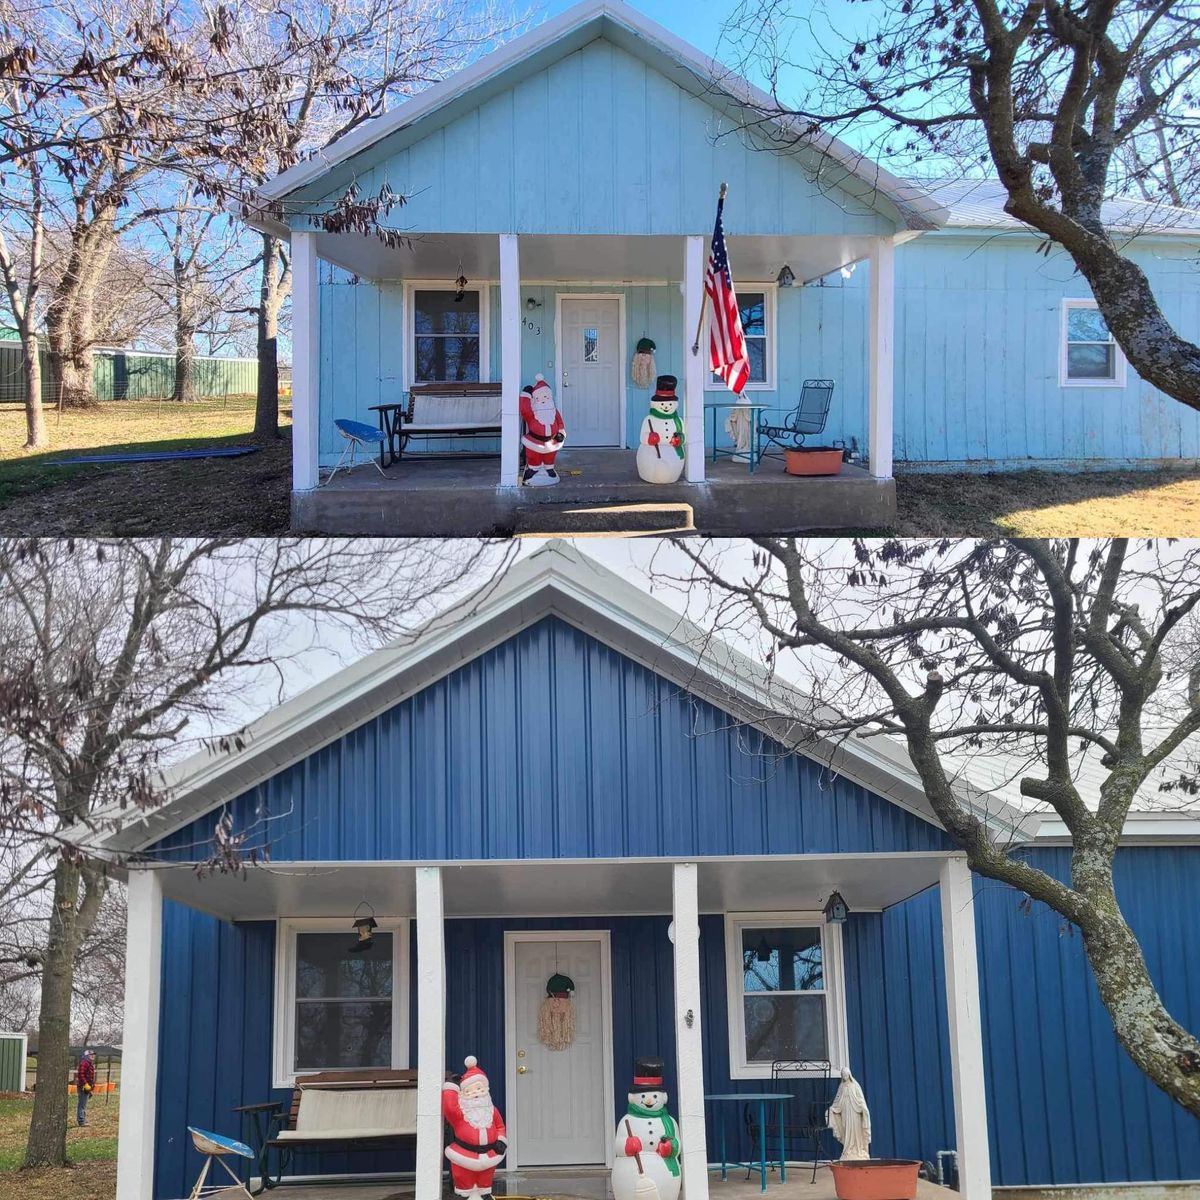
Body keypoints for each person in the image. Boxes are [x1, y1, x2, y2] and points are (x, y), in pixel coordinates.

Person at [75, 1049, 96, 1127]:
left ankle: (83, 1119)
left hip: (87, 1087)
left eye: (93, 1054)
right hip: (83, 1087)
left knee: (84, 1104)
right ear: (86, 1056)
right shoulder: (84, 1063)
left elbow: (90, 1076)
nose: (93, 1056)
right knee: (82, 1105)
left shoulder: (89, 1063)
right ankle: (81, 1121)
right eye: (91, 1055)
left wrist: (91, 1087)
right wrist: (85, 1084)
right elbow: (81, 1074)